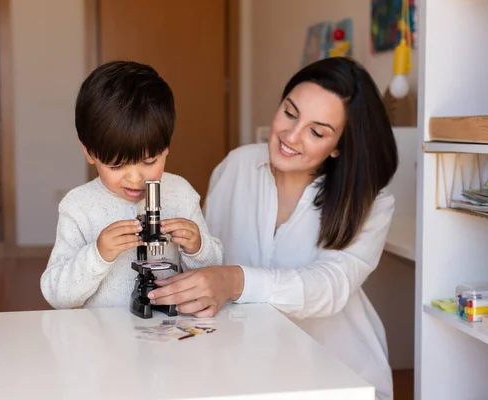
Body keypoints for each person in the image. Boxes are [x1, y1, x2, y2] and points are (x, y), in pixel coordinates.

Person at [147, 57, 398, 400]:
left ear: (339, 145)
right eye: (290, 113)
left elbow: (330, 286)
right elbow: (207, 258)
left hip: (337, 373)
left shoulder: (370, 200)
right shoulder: (236, 166)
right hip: (243, 367)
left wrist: (235, 280)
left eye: (316, 131)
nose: (291, 136)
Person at [40, 61, 223, 309]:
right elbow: (57, 295)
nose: (136, 178)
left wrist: (197, 248)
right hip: (103, 341)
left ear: (166, 147)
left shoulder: (181, 194)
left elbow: (212, 275)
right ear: (89, 152)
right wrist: (98, 254)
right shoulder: (78, 206)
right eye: (117, 166)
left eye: (149, 161)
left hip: (168, 338)